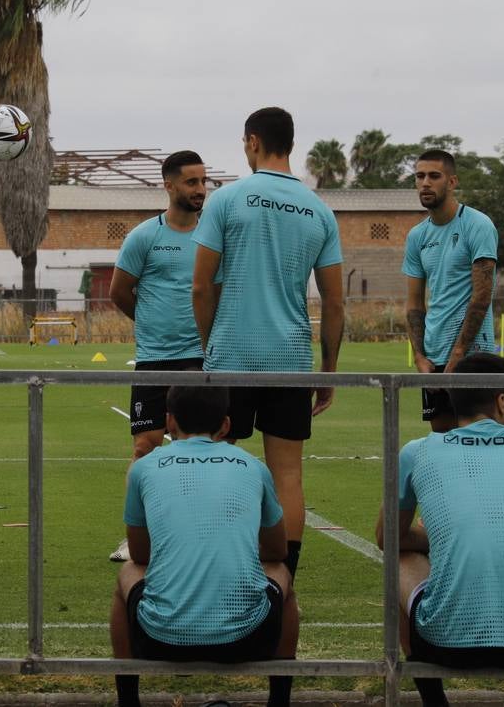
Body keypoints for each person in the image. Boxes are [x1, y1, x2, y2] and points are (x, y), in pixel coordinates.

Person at [192, 106, 344, 580]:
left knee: (221, 462)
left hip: (232, 357)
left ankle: (224, 565)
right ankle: (285, 577)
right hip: (291, 360)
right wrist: (329, 370)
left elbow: (200, 286)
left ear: (252, 142)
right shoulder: (319, 209)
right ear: (292, 145)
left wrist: (208, 346)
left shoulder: (226, 199)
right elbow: (336, 304)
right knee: (289, 475)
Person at [377, 352, 504, 707]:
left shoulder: (417, 451)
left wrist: (438, 536)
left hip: (442, 643)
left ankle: (432, 696)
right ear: (502, 402)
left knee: (400, 554)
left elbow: (387, 538)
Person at [109, 385, 298, 707]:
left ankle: (128, 698)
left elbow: (140, 554)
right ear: (225, 425)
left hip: (159, 639)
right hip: (248, 639)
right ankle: (279, 699)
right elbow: (278, 550)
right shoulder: (252, 466)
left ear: (169, 422)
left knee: (127, 573)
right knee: (281, 573)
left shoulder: (143, 468)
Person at [107, 150, 208, 562]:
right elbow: (119, 292)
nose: (200, 190)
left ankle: (202, 534)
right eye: (191, 182)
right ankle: (137, 536)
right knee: (145, 448)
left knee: (206, 448)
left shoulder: (214, 235)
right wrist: (149, 326)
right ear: (168, 185)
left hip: (202, 359)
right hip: (154, 359)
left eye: (204, 182)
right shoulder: (144, 237)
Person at [402, 149, 499, 432]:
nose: (425, 183)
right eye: (420, 176)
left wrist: (458, 355)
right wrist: (420, 356)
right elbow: (414, 304)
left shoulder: (477, 225)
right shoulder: (417, 236)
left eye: (434, 176)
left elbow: (482, 297)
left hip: (473, 357)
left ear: (452, 182)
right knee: (443, 444)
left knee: (479, 441)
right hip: (434, 359)